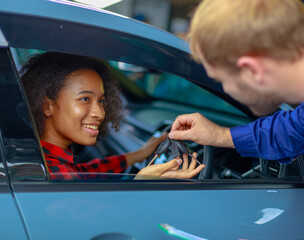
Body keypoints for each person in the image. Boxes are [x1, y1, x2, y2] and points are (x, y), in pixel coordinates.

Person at [168, 0, 304, 237]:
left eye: (221, 80)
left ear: (252, 70)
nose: (226, 89)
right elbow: (296, 127)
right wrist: (220, 135)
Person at [21, 52, 204, 180]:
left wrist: (140, 154)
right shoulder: (57, 174)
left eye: (100, 101)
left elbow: (87, 171)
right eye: (85, 99)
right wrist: (142, 183)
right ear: (47, 106)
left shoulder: (45, 157)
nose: (99, 113)